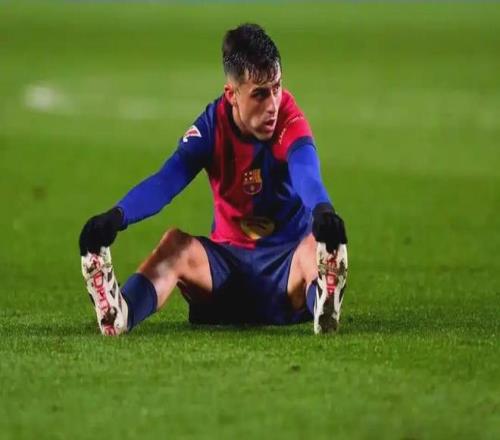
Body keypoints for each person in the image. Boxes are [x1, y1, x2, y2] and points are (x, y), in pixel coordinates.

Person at [79, 23, 348, 336]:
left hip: (288, 271)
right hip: (226, 273)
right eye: (260, 94)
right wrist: (117, 216)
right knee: (174, 245)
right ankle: (121, 312)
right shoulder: (211, 128)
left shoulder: (289, 119)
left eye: (277, 88)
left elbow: (306, 173)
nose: (273, 105)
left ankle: (323, 305)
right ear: (231, 94)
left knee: (316, 245)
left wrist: (323, 210)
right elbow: (166, 181)